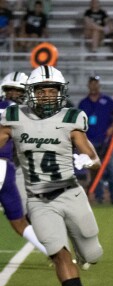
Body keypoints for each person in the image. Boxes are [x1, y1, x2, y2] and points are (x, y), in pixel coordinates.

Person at [0, 65, 101, 286]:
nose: (46, 95)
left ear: (60, 92)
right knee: (58, 253)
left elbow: (95, 159)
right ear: (30, 92)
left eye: (51, 90)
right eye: (41, 90)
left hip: (70, 193)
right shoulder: (13, 116)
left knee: (93, 253)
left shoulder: (71, 118)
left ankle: (84, 251)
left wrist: (87, 161)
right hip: (38, 199)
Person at [0, 71, 47, 256]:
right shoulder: (26, 113)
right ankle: (56, 252)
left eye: (17, 91)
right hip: (10, 167)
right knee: (20, 219)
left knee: (28, 215)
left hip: (19, 167)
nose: (13, 95)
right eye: (10, 91)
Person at [78, 75, 113, 204]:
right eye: (91, 84)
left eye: (96, 84)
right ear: (88, 86)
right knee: (94, 172)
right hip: (89, 142)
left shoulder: (108, 101)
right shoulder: (83, 103)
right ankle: (99, 197)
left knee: (112, 169)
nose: (94, 86)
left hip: (106, 141)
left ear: (99, 85)